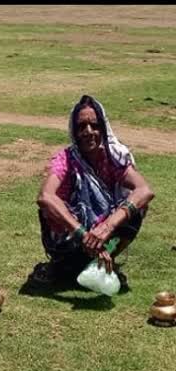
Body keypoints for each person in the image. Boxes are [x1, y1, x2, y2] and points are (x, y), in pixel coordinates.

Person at [30, 95, 155, 287]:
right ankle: (59, 265)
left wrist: (108, 227)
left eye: (94, 125)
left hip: (103, 235)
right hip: (71, 237)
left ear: (103, 128)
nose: (89, 132)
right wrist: (84, 235)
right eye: (82, 127)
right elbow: (45, 196)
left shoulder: (113, 159)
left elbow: (144, 190)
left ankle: (105, 261)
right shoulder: (66, 159)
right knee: (51, 208)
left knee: (138, 207)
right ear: (75, 131)